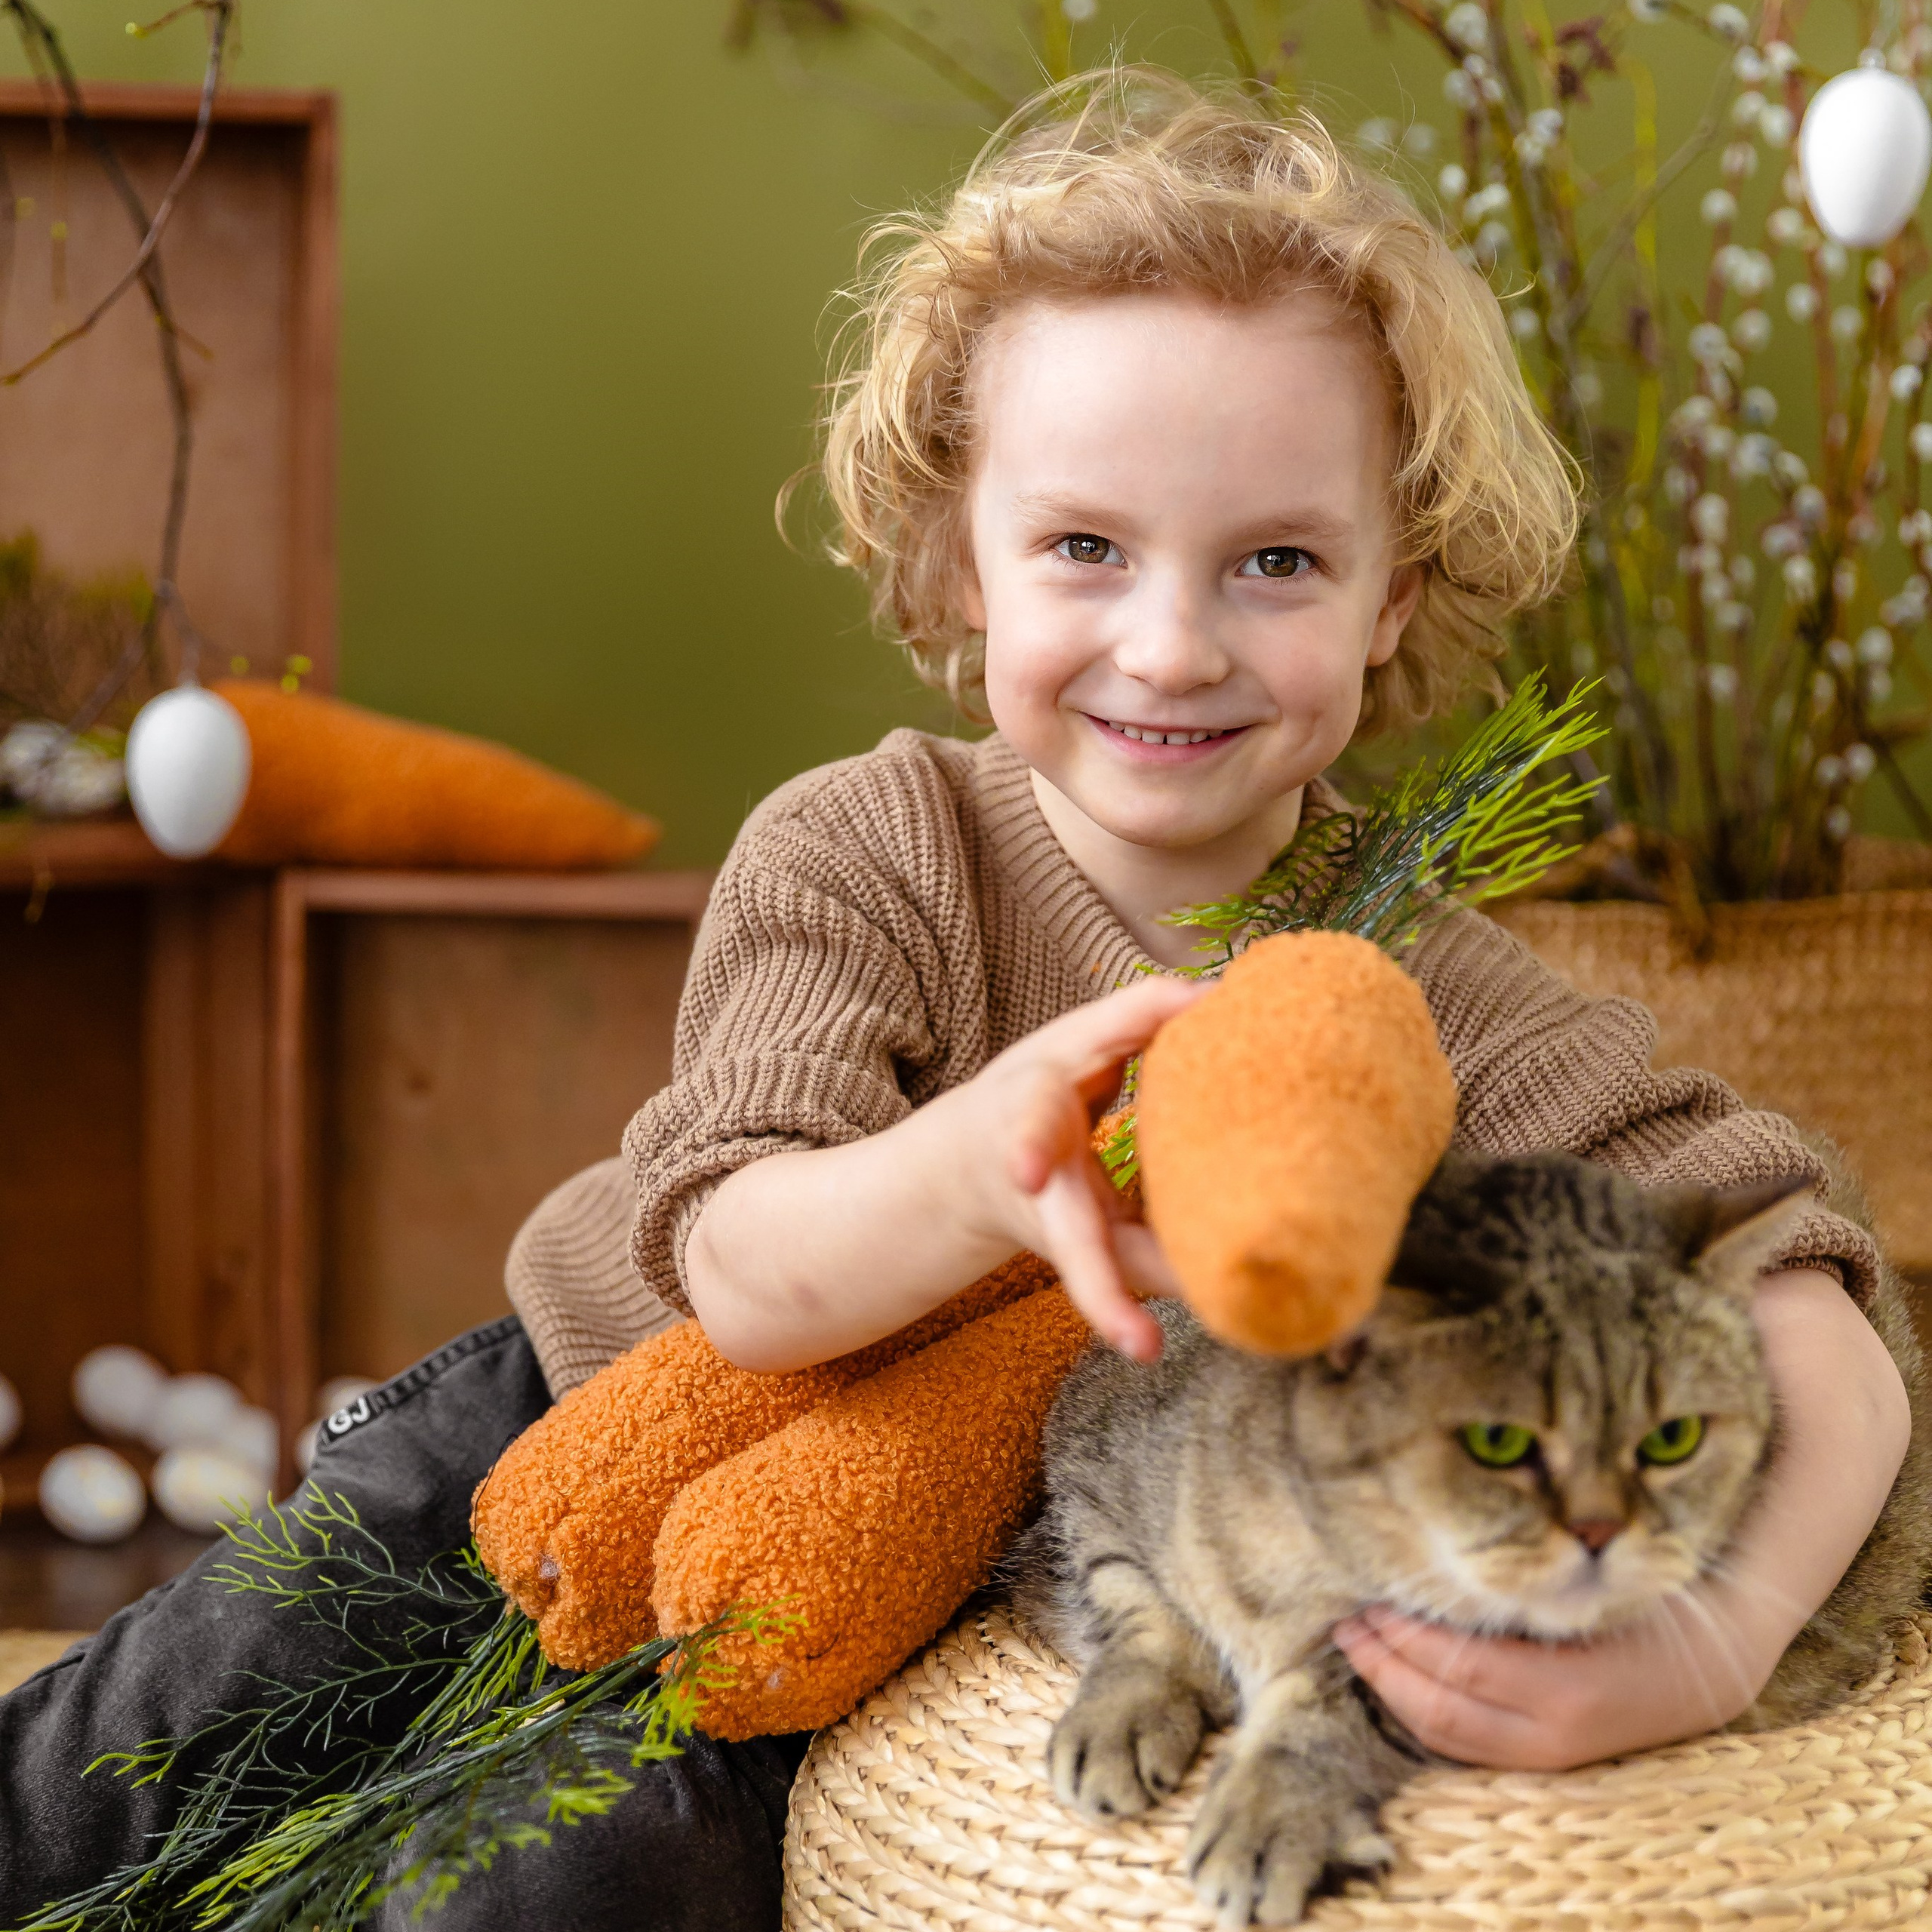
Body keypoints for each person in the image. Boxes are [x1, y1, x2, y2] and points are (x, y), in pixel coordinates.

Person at [1, 69, 1908, 1932]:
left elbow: (1796, 1281)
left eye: (1276, 562)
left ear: (1393, 594)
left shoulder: (1420, 973)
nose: (1171, 642)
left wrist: (1708, 1649)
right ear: (957, 558)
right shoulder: (872, 844)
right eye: (1084, 546)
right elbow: (735, 1263)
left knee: (567, 1873)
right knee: (151, 1734)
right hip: (570, 1415)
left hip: (860, 1590)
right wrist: (970, 1177)